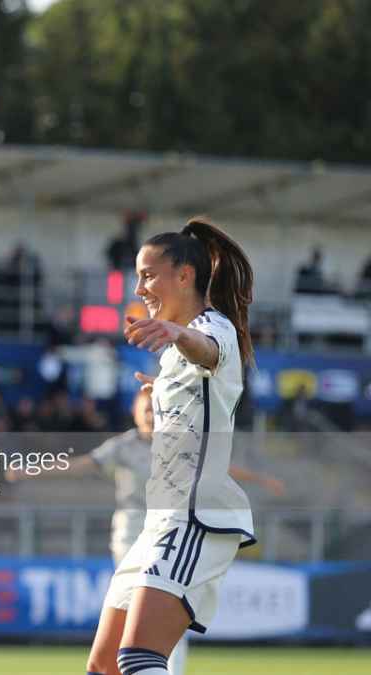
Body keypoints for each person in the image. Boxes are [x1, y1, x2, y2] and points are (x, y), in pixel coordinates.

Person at [8, 388, 284, 675]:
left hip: (170, 530)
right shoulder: (123, 446)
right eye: (146, 409)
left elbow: (219, 469)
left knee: (164, 610)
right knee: (137, 611)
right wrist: (32, 470)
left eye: (156, 408)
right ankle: (132, 665)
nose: (152, 415)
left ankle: (163, 669)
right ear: (134, 412)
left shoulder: (177, 443)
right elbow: (82, 464)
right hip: (131, 531)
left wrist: (261, 479)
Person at [85, 217, 257, 675]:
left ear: (185, 275)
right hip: (157, 522)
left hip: (193, 517)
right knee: (105, 667)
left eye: (148, 274)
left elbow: (210, 349)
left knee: (139, 657)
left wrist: (180, 335)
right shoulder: (173, 353)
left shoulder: (211, 327)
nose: (139, 287)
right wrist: (160, 389)